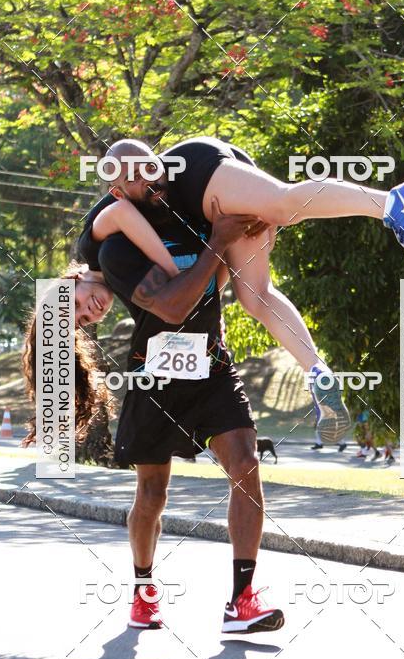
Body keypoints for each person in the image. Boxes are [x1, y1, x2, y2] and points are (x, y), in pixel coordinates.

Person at [24, 200, 285, 634]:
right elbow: (178, 302)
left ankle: (242, 601)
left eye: (80, 305)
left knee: (245, 465)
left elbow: (203, 270)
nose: (91, 313)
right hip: (156, 383)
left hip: (212, 368)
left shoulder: (111, 245)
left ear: (70, 281)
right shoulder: (118, 265)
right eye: (85, 320)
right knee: (151, 495)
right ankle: (143, 592)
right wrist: (218, 246)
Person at [80, 136, 404, 445]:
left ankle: (392, 203)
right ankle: (317, 374)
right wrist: (214, 259)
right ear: (118, 188)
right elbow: (200, 283)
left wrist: (176, 273)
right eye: (135, 178)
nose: (148, 178)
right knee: (256, 296)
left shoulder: (94, 244)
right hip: (210, 217)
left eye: (150, 167)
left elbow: (127, 218)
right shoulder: (123, 270)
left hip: (202, 173)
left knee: (282, 204)